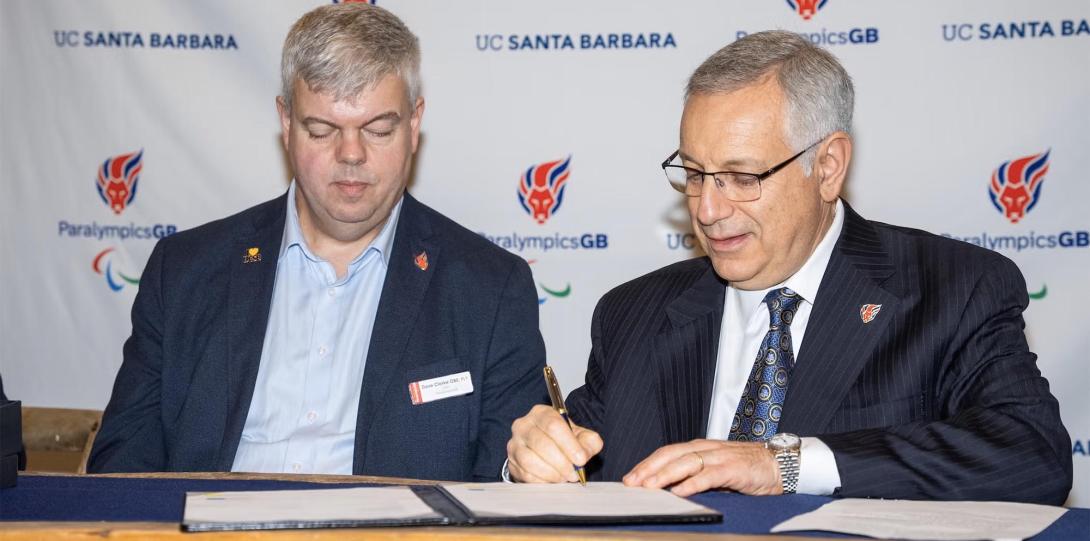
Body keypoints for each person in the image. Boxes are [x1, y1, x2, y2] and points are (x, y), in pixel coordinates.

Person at [504, 30, 1071, 504]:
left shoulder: (952, 290)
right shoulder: (634, 315)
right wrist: (533, 464)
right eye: (695, 173)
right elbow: (587, 470)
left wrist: (787, 465)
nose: (707, 209)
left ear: (827, 167)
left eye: (743, 177)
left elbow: (1033, 456)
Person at [89, 3, 546, 481]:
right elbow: (121, 468)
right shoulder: (183, 271)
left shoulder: (489, 290)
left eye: (379, 129)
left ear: (414, 125)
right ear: (286, 122)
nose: (351, 154)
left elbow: (506, 486)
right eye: (322, 129)